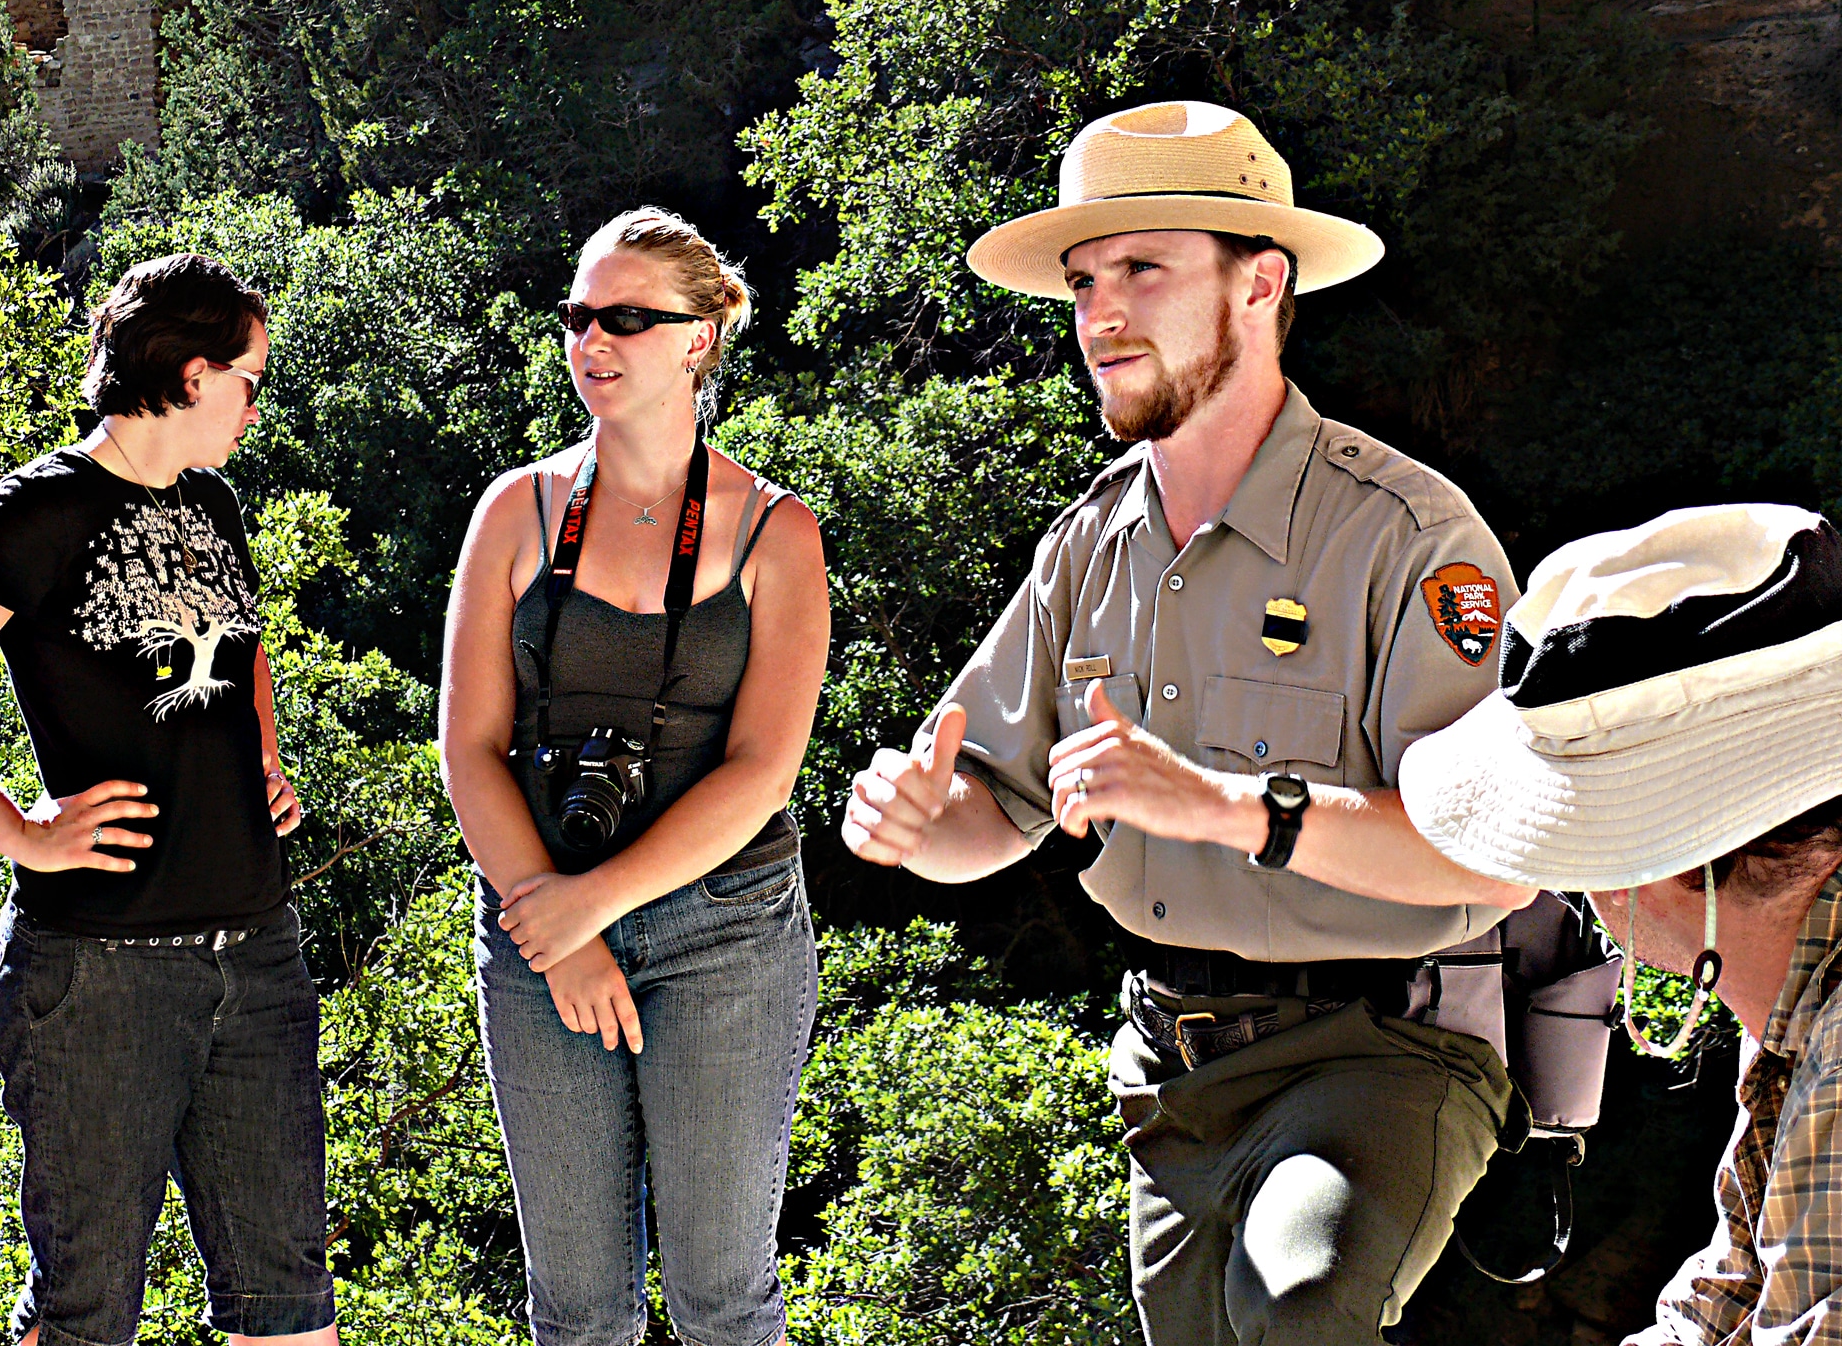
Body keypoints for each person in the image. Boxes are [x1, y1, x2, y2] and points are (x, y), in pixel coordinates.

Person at [842, 100, 1539, 1345]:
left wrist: (1224, 809)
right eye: (1082, 280)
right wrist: (912, 821)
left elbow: (1478, 857)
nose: (1098, 315)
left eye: (1142, 270)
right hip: (1171, 1069)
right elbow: (988, 813)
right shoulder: (1085, 544)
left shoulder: (1405, 536)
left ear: (1260, 283)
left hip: (1381, 1046)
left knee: (1297, 1308)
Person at [0, 253, 334, 1346]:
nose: (257, 405)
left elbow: (238, 648)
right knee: (86, 1318)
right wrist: (20, 829)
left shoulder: (211, 498)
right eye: (251, 379)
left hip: (257, 955)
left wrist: (262, 752)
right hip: (98, 976)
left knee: (288, 1311)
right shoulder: (39, 510)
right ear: (194, 376)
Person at [438, 207, 830, 1346]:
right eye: (576, 316)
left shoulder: (776, 532)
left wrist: (590, 908)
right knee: (575, 1312)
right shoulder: (515, 511)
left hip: (725, 930)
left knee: (723, 1300)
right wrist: (553, 929)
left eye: (625, 318)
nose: (590, 340)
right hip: (532, 924)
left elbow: (761, 772)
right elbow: (467, 750)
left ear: (700, 337)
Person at [1394, 503, 1842, 1346]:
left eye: (1578, 857)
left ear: (1669, 862)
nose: (1569, 893)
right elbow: (1730, 1292)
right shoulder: (1798, 971)